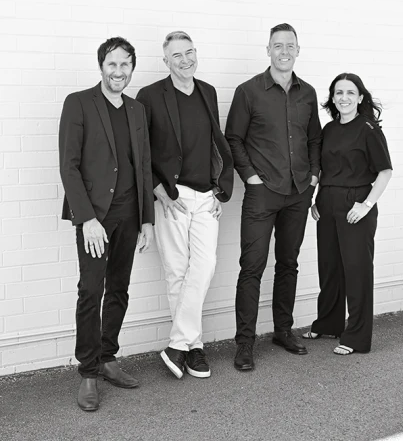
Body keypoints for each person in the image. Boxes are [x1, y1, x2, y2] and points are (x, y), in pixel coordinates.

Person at [58, 36, 155, 412]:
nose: (119, 71)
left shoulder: (137, 110)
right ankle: (88, 372)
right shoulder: (79, 103)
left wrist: (147, 220)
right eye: (112, 64)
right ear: (101, 66)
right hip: (95, 218)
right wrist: (86, 219)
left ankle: (108, 357)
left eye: (125, 64)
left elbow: (143, 165)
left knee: (119, 288)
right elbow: (69, 166)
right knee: (90, 290)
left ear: (132, 67)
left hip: (129, 214)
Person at [136, 31, 234, 380]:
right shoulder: (149, 96)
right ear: (166, 61)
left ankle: (177, 343)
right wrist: (157, 189)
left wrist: (219, 189)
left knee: (204, 266)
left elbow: (215, 144)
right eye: (177, 55)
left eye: (189, 52)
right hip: (172, 197)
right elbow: (140, 150)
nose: (185, 60)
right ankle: (195, 347)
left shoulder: (208, 91)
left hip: (205, 196)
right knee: (177, 272)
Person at [225, 23, 321, 371]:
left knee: (288, 263)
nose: (284, 51)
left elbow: (314, 139)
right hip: (262, 195)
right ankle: (245, 343)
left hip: (298, 193)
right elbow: (232, 138)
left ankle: (283, 331)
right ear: (268, 50)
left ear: (298, 50)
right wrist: (251, 178)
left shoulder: (308, 93)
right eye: (277, 45)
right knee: (252, 267)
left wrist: (313, 176)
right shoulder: (248, 91)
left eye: (290, 45)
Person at [303, 73, 392, 355]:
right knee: (329, 267)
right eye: (338, 92)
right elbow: (325, 169)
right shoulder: (329, 129)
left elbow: (385, 171)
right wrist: (317, 199)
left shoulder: (368, 129)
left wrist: (366, 205)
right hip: (327, 203)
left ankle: (356, 337)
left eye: (350, 92)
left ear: (360, 97)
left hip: (356, 205)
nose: (344, 98)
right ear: (332, 98)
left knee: (357, 271)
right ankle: (329, 324)